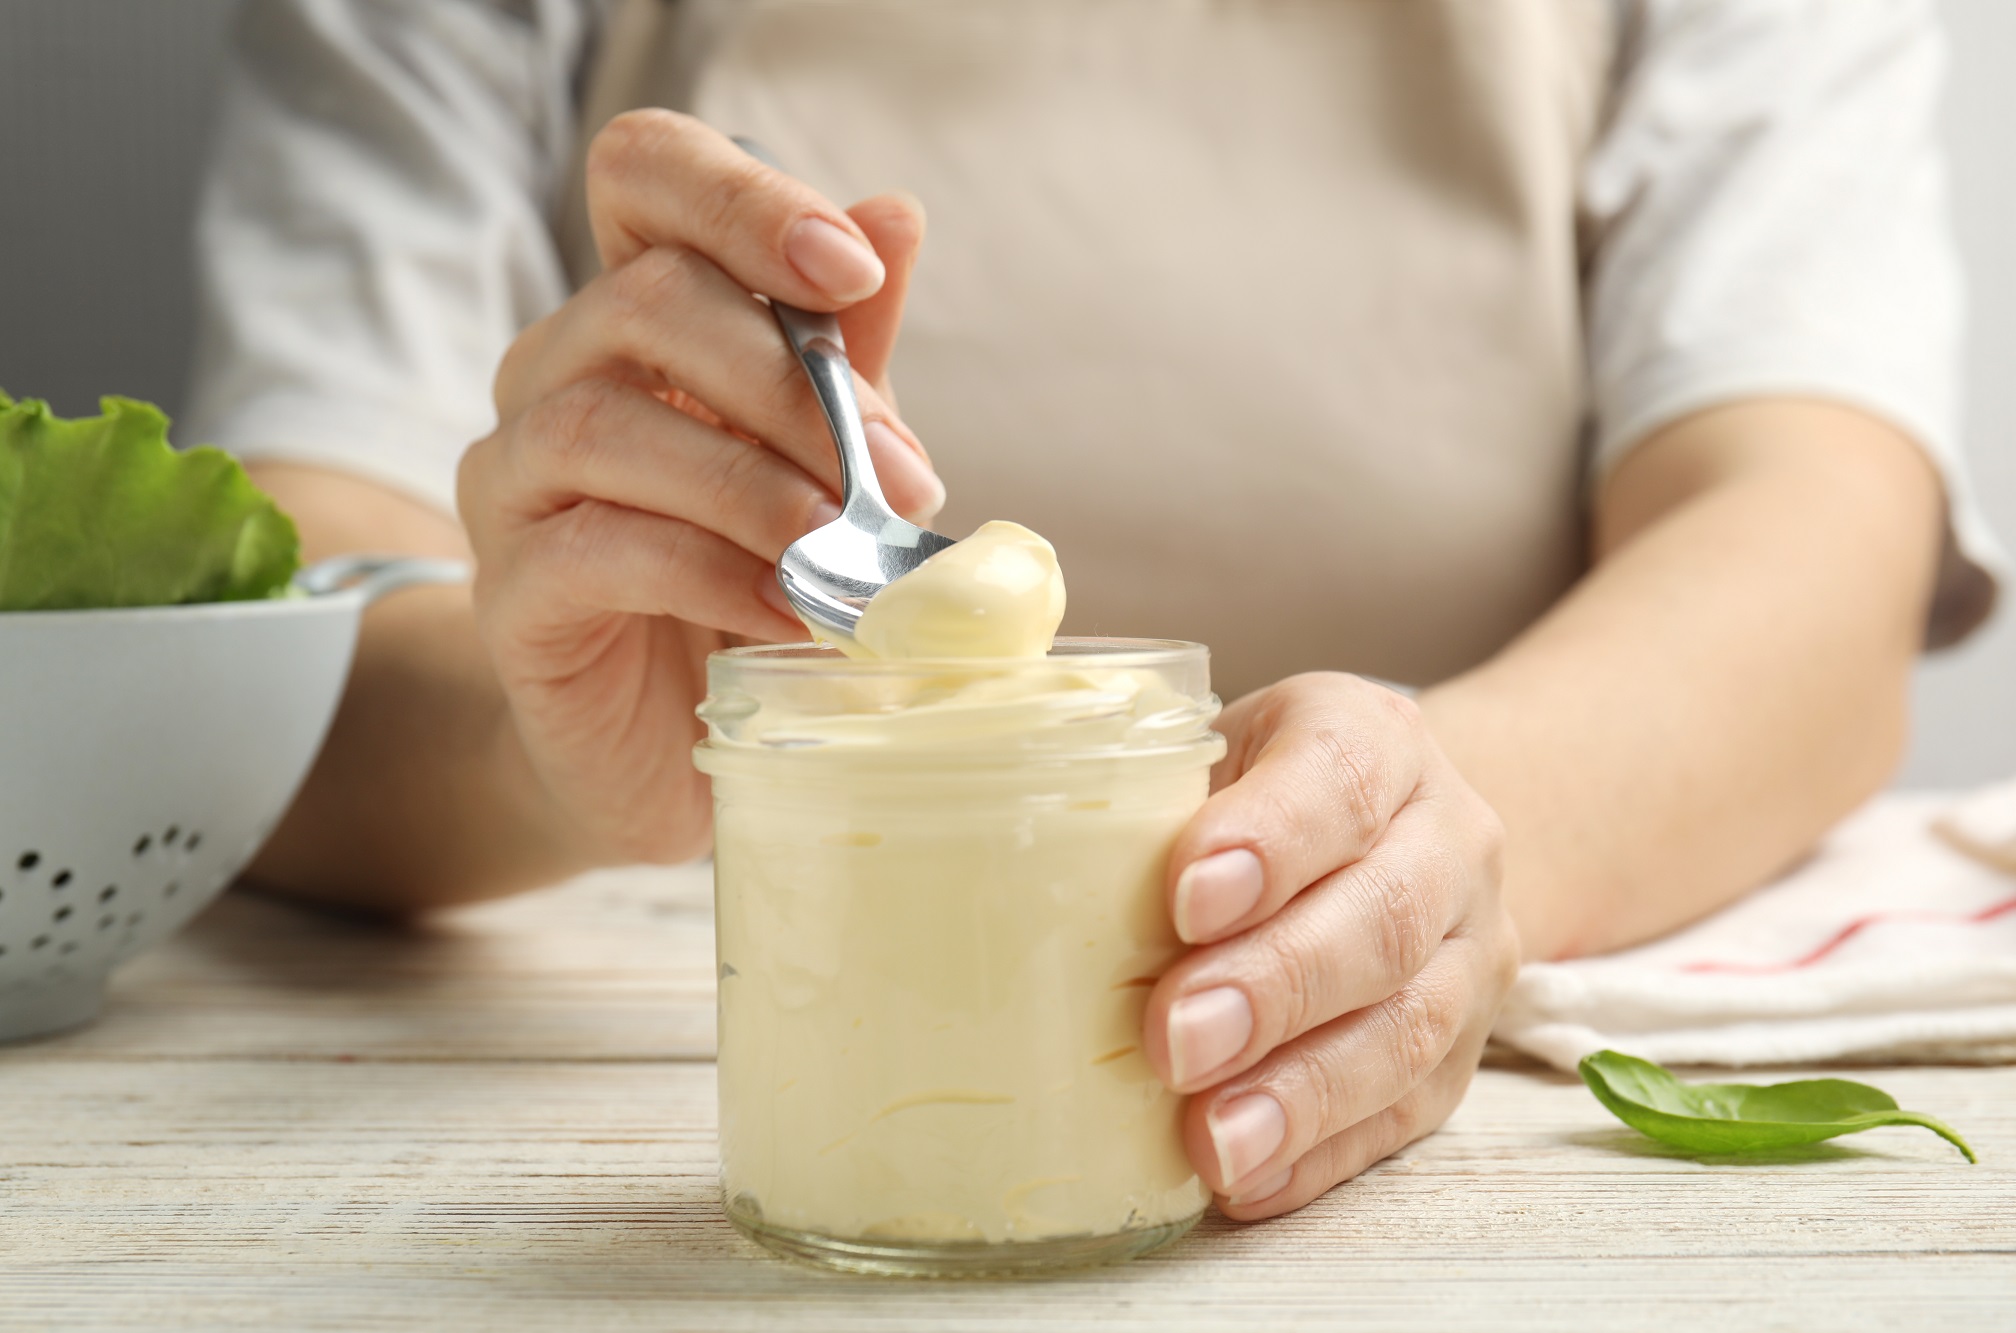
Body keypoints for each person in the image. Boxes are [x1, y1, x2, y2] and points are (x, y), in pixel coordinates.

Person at [185, 0, 2002, 1220]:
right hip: (704, 967)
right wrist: (543, 749)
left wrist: (1438, 836)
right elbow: (279, 563)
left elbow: (1810, 529)